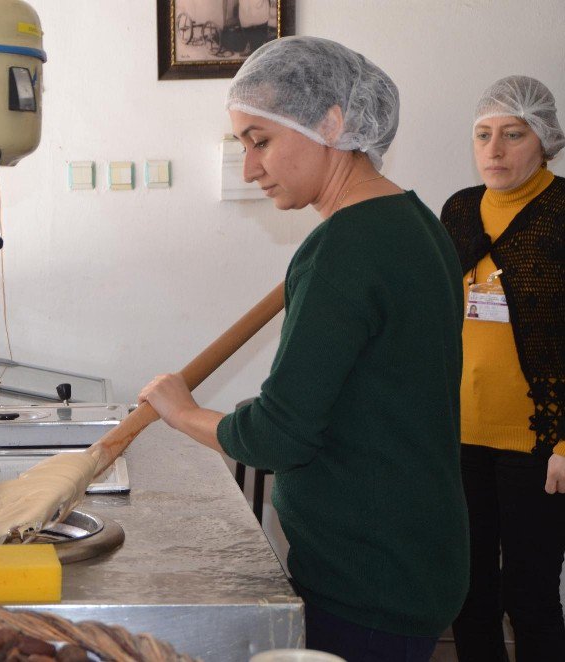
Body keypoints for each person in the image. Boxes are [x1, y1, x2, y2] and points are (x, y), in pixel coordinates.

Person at [137, 36, 468, 662]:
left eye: (260, 141)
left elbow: (277, 438)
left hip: (367, 576)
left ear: (332, 123)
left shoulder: (344, 250)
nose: (250, 168)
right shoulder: (416, 223)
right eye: (242, 145)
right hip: (414, 553)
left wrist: (179, 411)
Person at [439, 75, 565, 662]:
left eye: (513, 135)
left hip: (538, 443)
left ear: (544, 140)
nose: (494, 149)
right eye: (483, 134)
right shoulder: (460, 210)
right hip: (459, 435)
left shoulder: (561, 211)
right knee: (467, 589)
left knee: (531, 593)